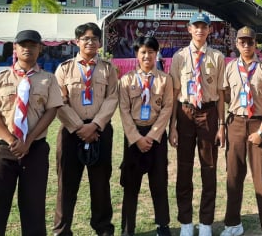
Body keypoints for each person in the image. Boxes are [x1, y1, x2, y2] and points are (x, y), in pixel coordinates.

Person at [0, 29, 64, 236]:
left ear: (40, 49)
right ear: (15, 48)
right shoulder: (0, 78)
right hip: (2, 149)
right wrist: (12, 139)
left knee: (34, 203)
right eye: (23, 45)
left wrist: (28, 141)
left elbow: (51, 110)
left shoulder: (48, 79)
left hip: (34, 149)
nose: (28, 49)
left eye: (33, 45)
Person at [53, 22, 119, 236]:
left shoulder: (108, 69)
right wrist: (79, 127)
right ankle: (61, 230)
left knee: (100, 183)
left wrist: (96, 125)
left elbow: (112, 98)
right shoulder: (64, 69)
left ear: (100, 42)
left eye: (94, 38)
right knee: (66, 184)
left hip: (100, 131)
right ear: (77, 42)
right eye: (85, 38)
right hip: (72, 132)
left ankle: (103, 228)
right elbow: (59, 101)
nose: (90, 42)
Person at [169, 12, 226, 236]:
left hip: (208, 114)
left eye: (204, 26)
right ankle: (185, 222)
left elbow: (221, 94)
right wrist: (172, 125)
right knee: (184, 169)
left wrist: (221, 124)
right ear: (189, 29)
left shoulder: (217, 57)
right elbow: (174, 92)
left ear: (210, 30)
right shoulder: (179, 57)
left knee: (209, 168)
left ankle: (205, 223)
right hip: (185, 113)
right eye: (196, 26)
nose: (200, 30)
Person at [220, 26, 262, 236]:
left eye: (250, 42)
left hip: (258, 124)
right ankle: (233, 224)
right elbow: (225, 94)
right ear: (236, 44)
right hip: (235, 123)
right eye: (242, 42)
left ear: (255, 44)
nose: (246, 45)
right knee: (233, 176)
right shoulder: (230, 67)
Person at [119, 36, 173, 236]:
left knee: (159, 183)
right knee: (130, 185)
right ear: (136, 55)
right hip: (134, 137)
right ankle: (127, 228)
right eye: (143, 52)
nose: (147, 55)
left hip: (156, 137)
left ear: (156, 54)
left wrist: (152, 136)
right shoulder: (126, 80)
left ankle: (163, 225)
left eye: (151, 51)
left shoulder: (165, 80)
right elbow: (123, 111)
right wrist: (136, 138)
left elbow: (167, 108)